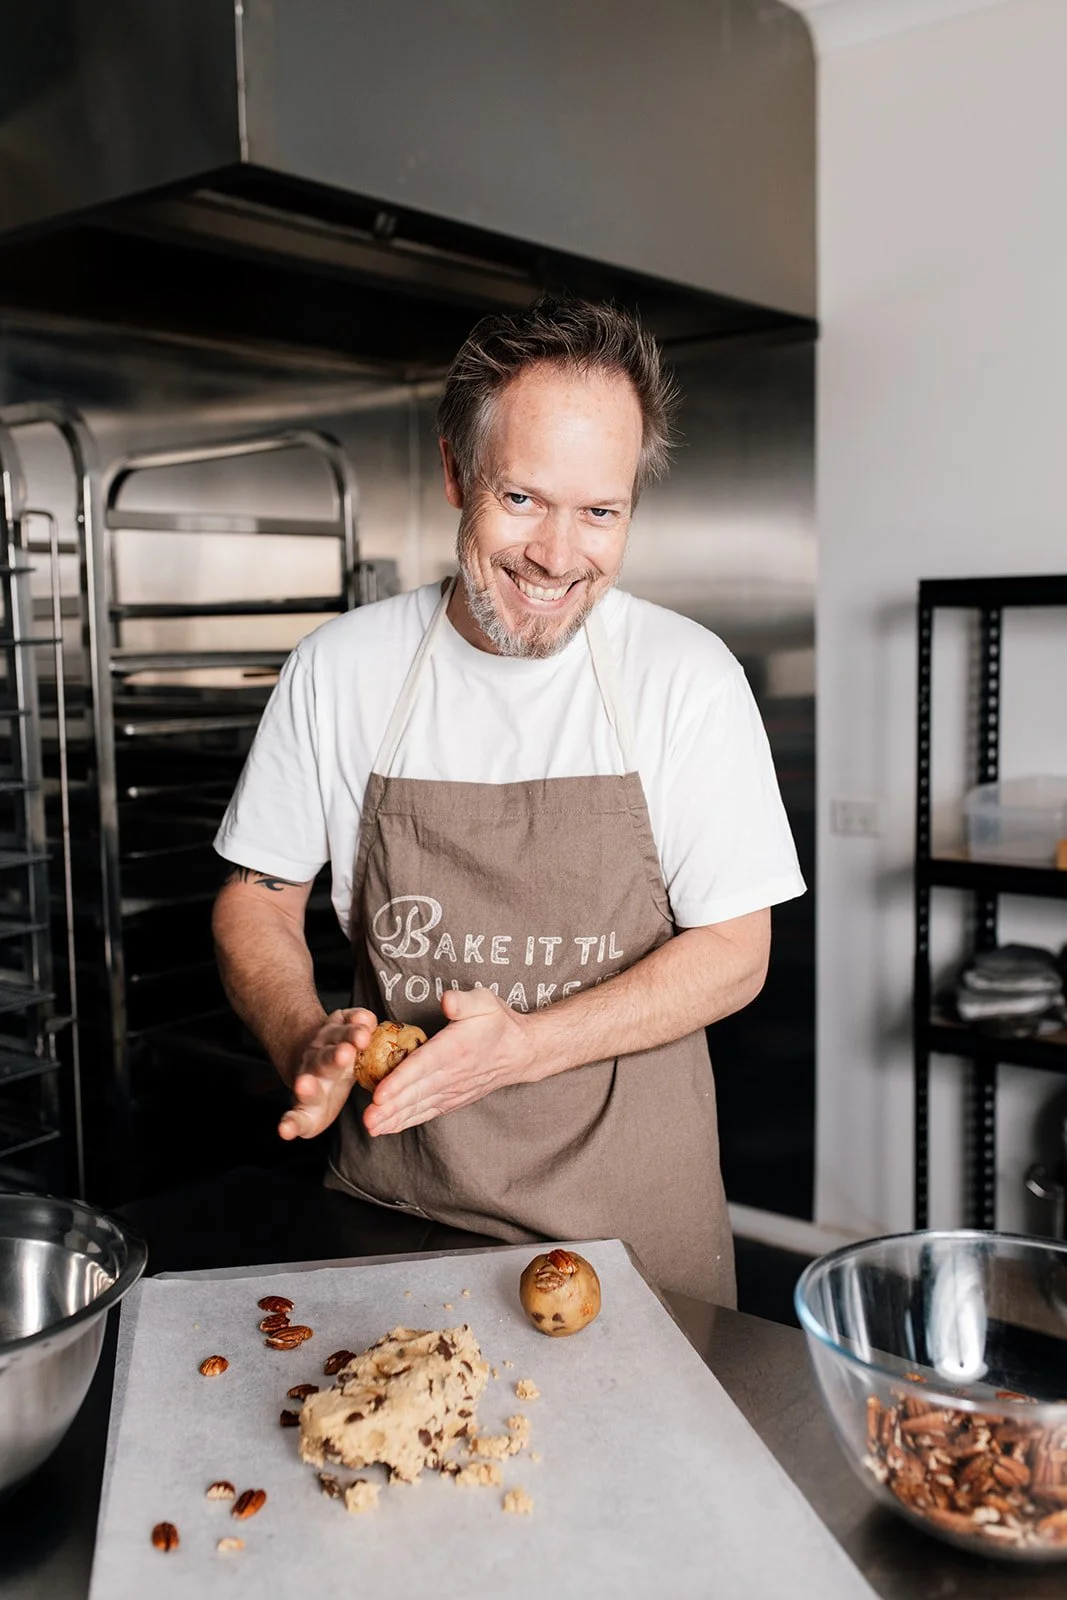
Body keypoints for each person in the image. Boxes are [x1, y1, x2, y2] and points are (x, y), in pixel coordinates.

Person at [212, 294, 804, 1304]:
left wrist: (523, 1048)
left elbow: (734, 953)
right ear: (454, 472)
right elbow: (256, 899)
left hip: (632, 1240)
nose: (557, 555)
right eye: (522, 498)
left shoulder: (683, 677)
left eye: (599, 511)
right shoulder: (340, 670)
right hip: (393, 1216)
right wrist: (298, 1032)